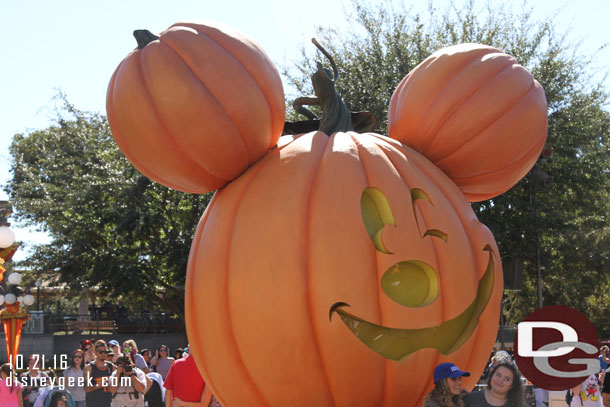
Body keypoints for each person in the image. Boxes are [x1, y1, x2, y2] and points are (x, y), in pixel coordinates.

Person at [84, 340, 115, 407]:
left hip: (109, 403)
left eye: (105, 352)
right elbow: (86, 388)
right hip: (93, 404)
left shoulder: (111, 366)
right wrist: (98, 385)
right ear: (95, 352)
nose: (103, 354)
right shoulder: (89, 367)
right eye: (101, 352)